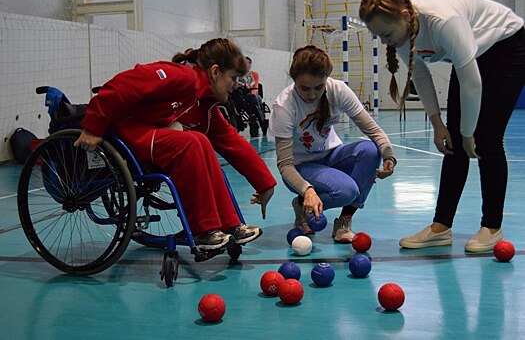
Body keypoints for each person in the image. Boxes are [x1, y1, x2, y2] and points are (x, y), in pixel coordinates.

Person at [74, 38, 277, 254]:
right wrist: (93, 127)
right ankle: (203, 231)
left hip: (150, 133)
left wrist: (265, 184)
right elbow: (121, 85)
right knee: (190, 142)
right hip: (128, 131)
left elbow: (231, 141)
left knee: (200, 140)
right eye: (233, 78)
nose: (236, 86)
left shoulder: (205, 104)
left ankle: (229, 224)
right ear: (216, 72)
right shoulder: (181, 76)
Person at [359, 0, 525, 252]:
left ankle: (492, 226)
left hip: (508, 46)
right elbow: (421, 77)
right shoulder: (402, 34)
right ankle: (441, 226)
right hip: (476, 53)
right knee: (452, 143)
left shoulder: (441, 22)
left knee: (487, 140)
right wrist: (438, 124)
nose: (385, 42)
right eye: (379, 36)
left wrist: (469, 133)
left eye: (386, 34)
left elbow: (472, 82)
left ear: (405, 16)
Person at [269, 45, 396, 243]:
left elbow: (372, 130)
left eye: (318, 88)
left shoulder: (337, 90)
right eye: (304, 88)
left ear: (326, 79)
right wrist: (307, 190)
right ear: (294, 80)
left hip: (332, 157)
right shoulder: (284, 106)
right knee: (347, 191)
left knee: (371, 150)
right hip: (301, 168)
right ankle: (304, 205)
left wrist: (389, 155)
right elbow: (285, 165)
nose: (312, 95)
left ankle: (344, 222)